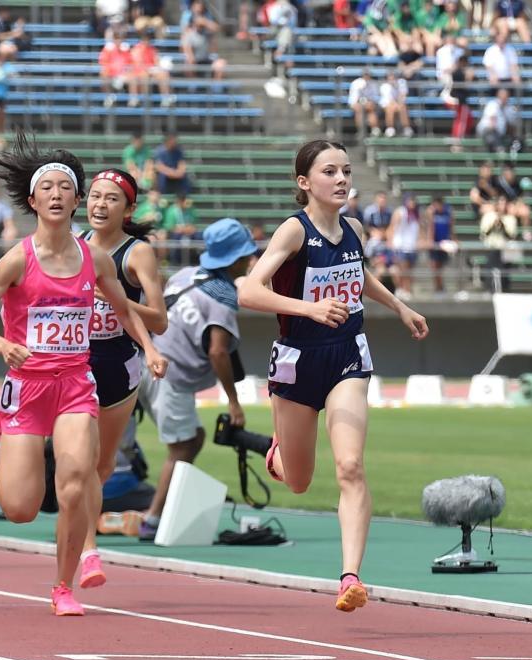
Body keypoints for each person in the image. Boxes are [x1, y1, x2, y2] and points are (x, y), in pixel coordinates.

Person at [0, 133, 166, 616]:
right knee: (20, 508)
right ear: (33, 200)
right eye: (46, 188)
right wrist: (1, 343)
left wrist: (150, 347)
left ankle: (62, 585)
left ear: (76, 199)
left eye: (64, 187)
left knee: (77, 478)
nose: (56, 194)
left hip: (76, 382)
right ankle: (0, 427)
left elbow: (125, 309)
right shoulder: (17, 259)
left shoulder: (93, 259)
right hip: (28, 386)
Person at [237, 140, 428, 613]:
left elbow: (356, 275)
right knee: (299, 481)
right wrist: (309, 308)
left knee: (350, 466)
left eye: (345, 170)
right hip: (296, 360)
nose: (341, 179)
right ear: (305, 183)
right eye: (330, 172)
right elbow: (248, 291)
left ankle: (350, 577)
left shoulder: (355, 228)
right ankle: (279, 450)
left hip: (347, 354)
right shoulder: (293, 232)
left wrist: (400, 306)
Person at [136, 218, 258, 542]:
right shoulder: (223, 300)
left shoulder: (185, 274)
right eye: (247, 254)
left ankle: (160, 508)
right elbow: (218, 353)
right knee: (183, 446)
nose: (251, 259)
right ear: (234, 260)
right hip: (171, 376)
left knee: (194, 437)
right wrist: (234, 403)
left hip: (147, 362)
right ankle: (153, 518)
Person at [76, 167, 168, 586]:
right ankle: (89, 550)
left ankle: (85, 537)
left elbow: (160, 320)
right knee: (78, 457)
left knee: (102, 464)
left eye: (111, 198)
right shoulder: (73, 246)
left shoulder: (137, 253)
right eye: (95, 196)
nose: (100, 204)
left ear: (129, 208)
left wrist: (114, 302)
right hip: (75, 361)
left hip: (119, 363)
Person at [388, 193, 421, 299]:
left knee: (409, 270)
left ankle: (406, 289)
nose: (412, 203)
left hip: (412, 246)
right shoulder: (400, 212)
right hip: (401, 245)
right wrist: (391, 242)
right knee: (403, 269)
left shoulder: (416, 214)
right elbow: (392, 227)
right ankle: (403, 289)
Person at [424, 195, 456, 293]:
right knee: (434, 266)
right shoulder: (432, 214)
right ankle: (438, 288)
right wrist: (429, 241)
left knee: (441, 267)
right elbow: (430, 228)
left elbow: (451, 227)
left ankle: (441, 287)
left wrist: (454, 239)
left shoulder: (447, 213)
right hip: (435, 244)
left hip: (445, 244)